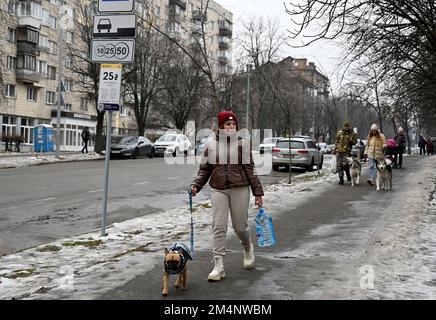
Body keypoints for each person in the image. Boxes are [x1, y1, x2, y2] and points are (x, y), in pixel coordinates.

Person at [190, 111, 264, 282]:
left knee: (240, 227)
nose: (231, 127)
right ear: (221, 127)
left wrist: (258, 193)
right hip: (218, 189)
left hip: (240, 188)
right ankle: (218, 266)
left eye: (233, 124)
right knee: (219, 226)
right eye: (227, 124)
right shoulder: (210, 146)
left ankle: (247, 247)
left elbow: (250, 170)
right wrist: (196, 185)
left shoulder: (243, 144)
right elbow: (204, 170)